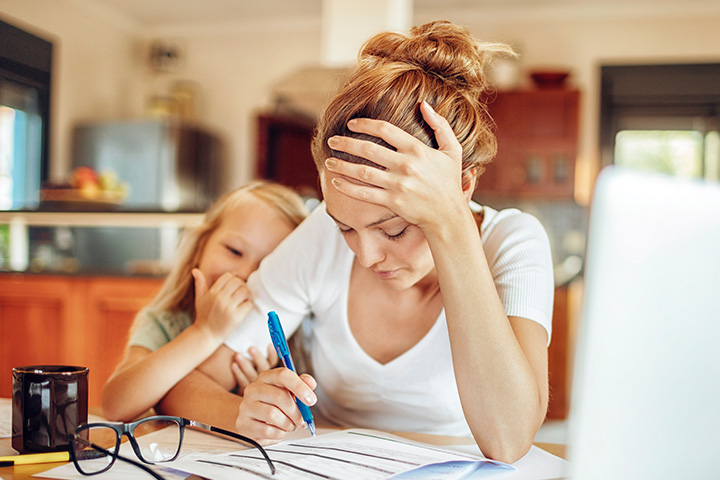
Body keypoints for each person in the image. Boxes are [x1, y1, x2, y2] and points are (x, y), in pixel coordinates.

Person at [158, 21, 554, 463]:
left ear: (462, 187)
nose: (365, 256)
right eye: (346, 227)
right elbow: (185, 386)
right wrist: (244, 412)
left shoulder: (512, 242)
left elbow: (509, 439)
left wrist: (452, 227)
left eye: (394, 229)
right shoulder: (320, 239)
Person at [102, 181, 308, 422]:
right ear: (201, 246)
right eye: (234, 250)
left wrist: (256, 395)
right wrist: (205, 332)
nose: (245, 273)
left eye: (266, 266)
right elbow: (115, 405)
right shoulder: (167, 321)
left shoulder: (292, 334)